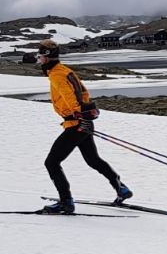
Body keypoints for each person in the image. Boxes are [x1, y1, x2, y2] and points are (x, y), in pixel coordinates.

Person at [31, 39, 133, 214]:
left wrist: (79, 115)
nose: (38, 60)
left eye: (40, 57)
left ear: (47, 58)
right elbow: (84, 92)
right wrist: (87, 115)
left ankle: (66, 203)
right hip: (83, 123)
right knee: (93, 160)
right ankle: (121, 188)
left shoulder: (56, 74)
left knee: (52, 162)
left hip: (76, 124)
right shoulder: (65, 70)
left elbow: (69, 96)